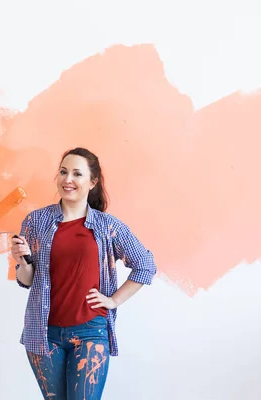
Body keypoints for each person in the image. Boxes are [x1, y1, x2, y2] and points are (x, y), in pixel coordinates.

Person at [10, 147, 157, 399]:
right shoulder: (36, 221)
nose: (68, 180)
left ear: (92, 182)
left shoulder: (107, 226)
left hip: (91, 331)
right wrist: (22, 262)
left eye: (77, 174)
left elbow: (145, 265)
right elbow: (27, 280)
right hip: (44, 334)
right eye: (63, 172)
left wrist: (113, 300)